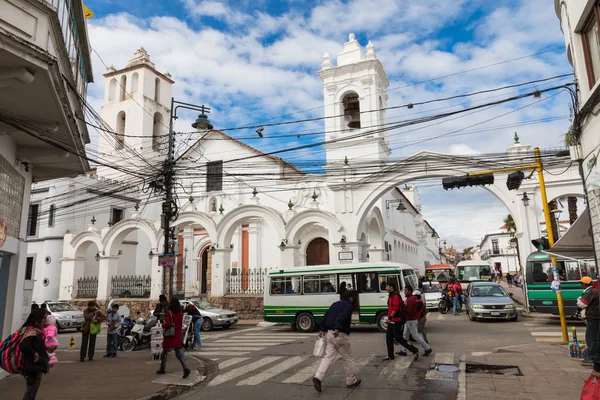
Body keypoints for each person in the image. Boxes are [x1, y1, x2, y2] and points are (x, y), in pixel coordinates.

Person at [312, 290, 360, 393]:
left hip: (329, 334)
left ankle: (318, 377)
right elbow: (341, 317)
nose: (353, 300)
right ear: (350, 298)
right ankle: (351, 381)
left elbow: (326, 317)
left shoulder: (334, 304)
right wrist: (338, 328)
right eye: (353, 298)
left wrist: (322, 328)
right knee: (348, 358)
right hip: (339, 334)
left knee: (328, 356)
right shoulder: (348, 306)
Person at [157, 299, 191, 378]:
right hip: (177, 334)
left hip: (169, 335)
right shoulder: (180, 313)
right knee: (179, 353)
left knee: (164, 352)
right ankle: (186, 368)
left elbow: (168, 324)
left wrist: (163, 325)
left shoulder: (169, 313)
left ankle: (162, 368)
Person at [384, 282, 418, 361]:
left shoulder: (395, 296)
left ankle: (414, 350)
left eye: (387, 286)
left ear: (391, 287)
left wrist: (390, 318)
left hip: (396, 321)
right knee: (388, 339)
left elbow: (395, 308)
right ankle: (390, 355)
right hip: (391, 321)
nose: (385, 288)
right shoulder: (391, 296)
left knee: (399, 338)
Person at [20, 308, 50, 400]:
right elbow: (24, 346)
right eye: (44, 318)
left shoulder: (35, 331)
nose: (46, 320)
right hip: (33, 367)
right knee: (30, 392)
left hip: (35, 366)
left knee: (31, 392)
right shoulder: (32, 332)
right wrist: (34, 354)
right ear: (37, 319)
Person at [398, 286, 432, 357]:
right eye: (404, 290)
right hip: (409, 320)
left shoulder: (411, 299)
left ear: (410, 291)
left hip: (411, 320)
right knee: (405, 336)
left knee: (415, 335)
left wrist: (402, 309)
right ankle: (404, 350)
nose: (404, 292)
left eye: (406, 290)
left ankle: (427, 348)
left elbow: (408, 310)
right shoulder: (409, 299)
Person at [578, 276, 599, 365]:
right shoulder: (594, 291)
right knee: (594, 337)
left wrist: (578, 299)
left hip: (593, 318)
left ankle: (591, 357)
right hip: (595, 317)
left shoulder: (590, 292)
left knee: (591, 338)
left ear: (584, 284)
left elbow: (582, 304)